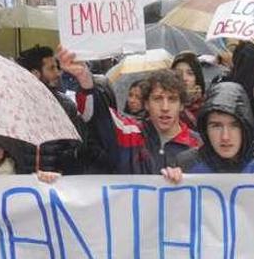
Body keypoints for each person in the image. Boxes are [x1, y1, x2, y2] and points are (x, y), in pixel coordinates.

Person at [58, 47, 201, 175]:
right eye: (157, 99)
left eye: (172, 99)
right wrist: (85, 80)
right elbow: (100, 118)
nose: (165, 107)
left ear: (182, 105)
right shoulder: (129, 132)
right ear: (146, 104)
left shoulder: (198, 145)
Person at [161, 82, 254, 181]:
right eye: (216, 126)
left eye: (234, 126)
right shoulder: (186, 164)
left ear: (246, 128)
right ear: (205, 129)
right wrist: (169, 185)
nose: (225, 137)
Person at [17, 46, 107, 174]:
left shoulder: (66, 106)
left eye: (57, 67)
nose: (58, 73)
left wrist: (65, 159)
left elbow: (78, 146)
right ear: (35, 74)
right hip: (21, 184)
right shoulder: (17, 105)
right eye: (51, 68)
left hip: (59, 184)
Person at [171, 51, 206, 126]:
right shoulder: (164, 105)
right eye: (179, 73)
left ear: (197, 78)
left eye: (190, 73)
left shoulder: (206, 107)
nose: (184, 78)